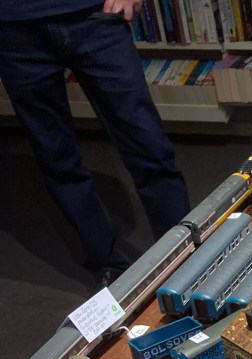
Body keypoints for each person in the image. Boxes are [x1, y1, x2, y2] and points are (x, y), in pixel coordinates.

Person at [0, 0, 191, 287]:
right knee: (56, 158)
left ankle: (186, 254)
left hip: (96, 16)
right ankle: (108, 265)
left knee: (148, 144)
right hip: (13, 30)